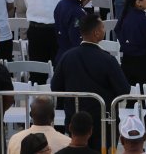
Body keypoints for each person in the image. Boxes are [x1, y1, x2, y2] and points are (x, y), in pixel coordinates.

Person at [52, 14, 131, 151]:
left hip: (75, 119)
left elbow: (55, 87)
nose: (104, 31)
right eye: (102, 28)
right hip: (102, 121)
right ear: (96, 33)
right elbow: (124, 90)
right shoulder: (107, 60)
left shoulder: (67, 57)